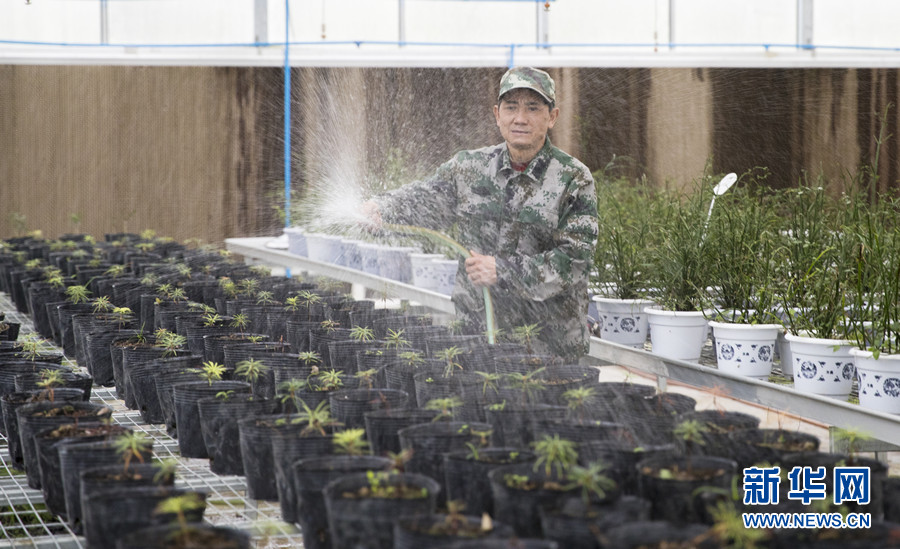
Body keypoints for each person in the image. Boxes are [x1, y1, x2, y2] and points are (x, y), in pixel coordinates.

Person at [362, 67, 598, 362]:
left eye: (533, 108)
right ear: (497, 114)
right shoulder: (469, 168)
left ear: (552, 117)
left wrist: (503, 271)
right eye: (511, 108)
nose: (520, 118)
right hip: (475, 339)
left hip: (546, 348)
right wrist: (383, 208)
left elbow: (573, 262)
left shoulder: (572, 179)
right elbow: (425, 199)